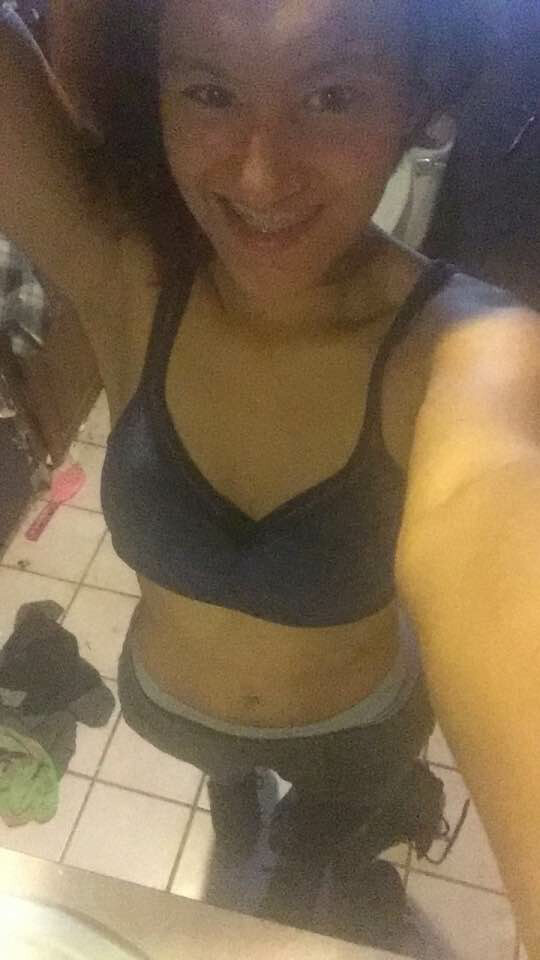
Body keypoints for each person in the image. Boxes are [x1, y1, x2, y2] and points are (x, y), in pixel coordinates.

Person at [2, 1, 540, 954]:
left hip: (355, 729)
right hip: (173, 708)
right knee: (232, 805)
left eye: (332, 95)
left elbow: (496, 511)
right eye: (209, 92)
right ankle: (242, 813)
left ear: (414, 101)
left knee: (314, 852)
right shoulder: (125, 276)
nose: (259, 172)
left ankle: (306, 860)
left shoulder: (467, 351)